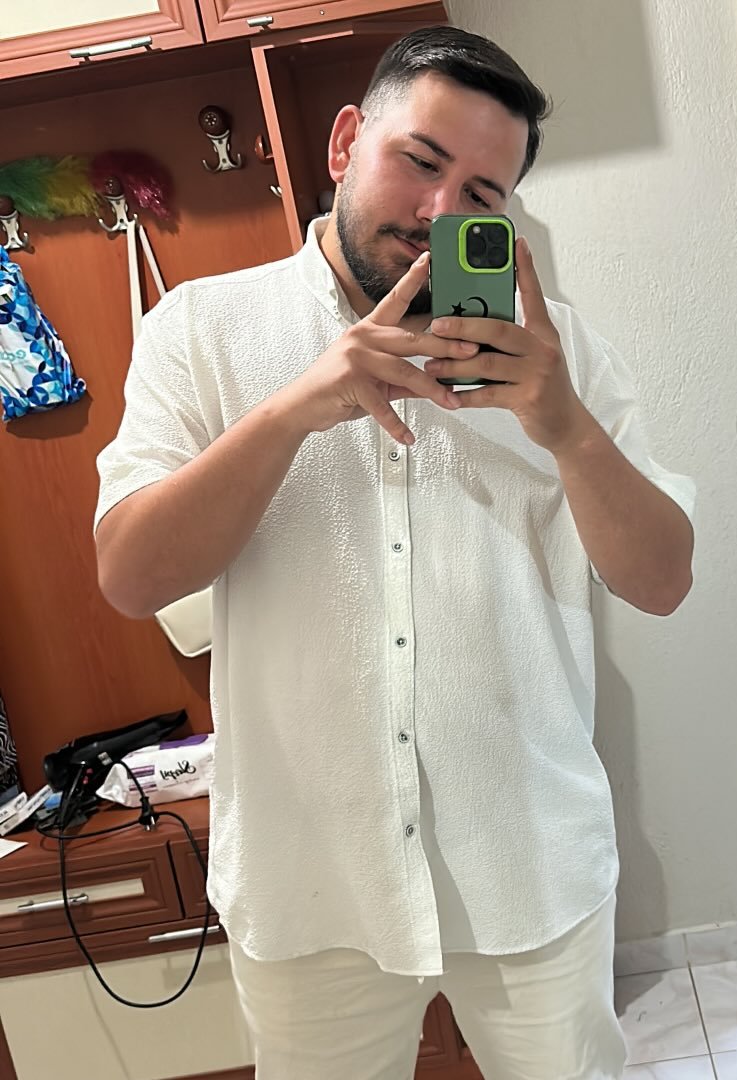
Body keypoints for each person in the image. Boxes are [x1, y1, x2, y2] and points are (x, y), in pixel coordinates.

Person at [94, 25, 695, 1080]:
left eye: (482, 196)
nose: (439, 212)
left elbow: (662, 581)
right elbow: (132, 576)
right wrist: (292, 410)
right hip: (310, 886)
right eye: (420, 162)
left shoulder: (564, 362)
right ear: (343, 143)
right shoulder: (199, 332)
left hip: (531, 869)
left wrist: (564, 427)